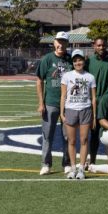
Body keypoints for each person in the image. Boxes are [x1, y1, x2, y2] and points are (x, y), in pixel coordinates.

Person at [36, 31, 72, 175]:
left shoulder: (71, 60)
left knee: (67, 136)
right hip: (51, 103)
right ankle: (46, 164)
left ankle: (67, 163)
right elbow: (39, 80)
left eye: (64, 42)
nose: (61, 44)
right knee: (47, 135)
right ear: (54, 43)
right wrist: (41, 103)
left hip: (69, 104)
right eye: (59, 41)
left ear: (67, 44)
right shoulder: (47, 59)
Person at [60, 49, 97, 179]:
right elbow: (63, 96)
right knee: (71, 140)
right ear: (72, 62)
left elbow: (93, 98)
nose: (77, 63)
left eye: (80, 60)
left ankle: (81, 168)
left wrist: (94, 116)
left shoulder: (90, 77)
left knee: (84, 140)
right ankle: (73, 168)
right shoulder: (67, 76)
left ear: (84, 61)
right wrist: (62, 113)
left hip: (85, 110)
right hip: (70, 110)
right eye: (75, 61)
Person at [85, 36, 108, 166]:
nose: (101, 47)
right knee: (93, 133)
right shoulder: (89, 62)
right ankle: (92, 161)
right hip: (93, 102)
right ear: (94, 46)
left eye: (103, 45)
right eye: (99, 45)